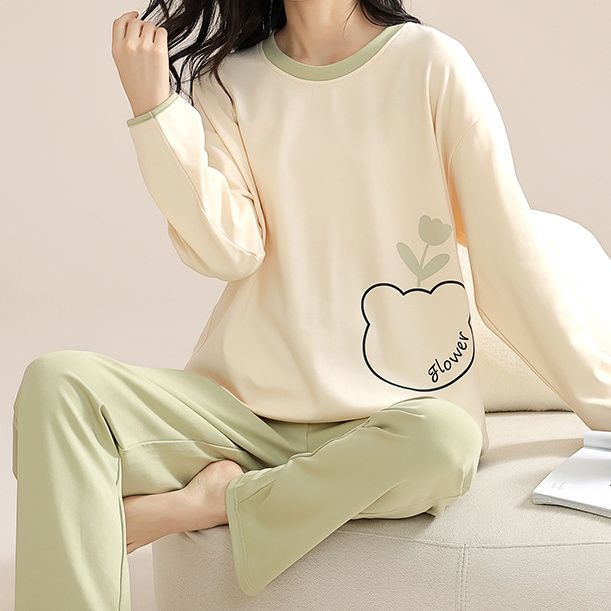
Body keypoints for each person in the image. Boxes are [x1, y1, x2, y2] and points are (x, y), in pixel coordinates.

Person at [12, 1, 611, 609]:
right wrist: (155, 110)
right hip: (243, 416)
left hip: (389, 420)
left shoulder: (430, 65)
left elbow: (509, 264)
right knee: (59, 385)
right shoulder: (231, 82)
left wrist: (602, 402)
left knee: (446, 441)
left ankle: (217, 504)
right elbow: (230, 251)